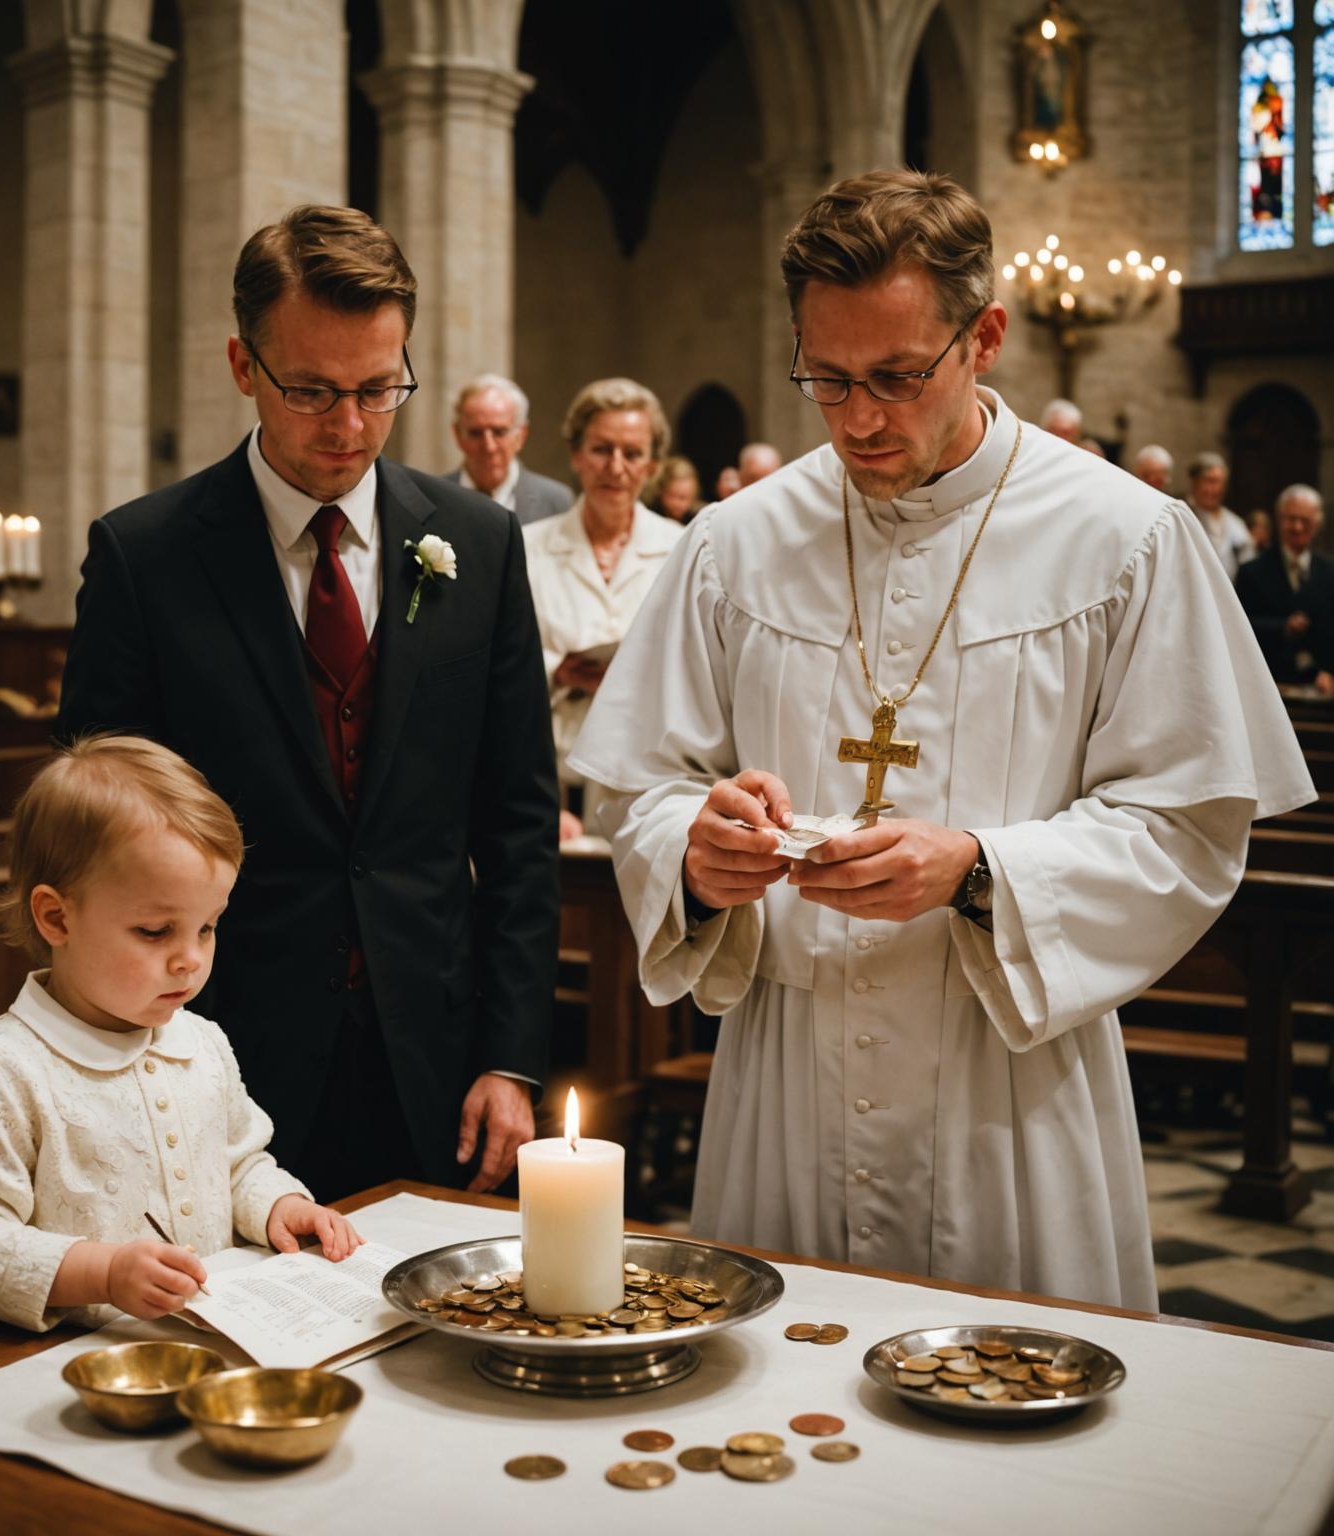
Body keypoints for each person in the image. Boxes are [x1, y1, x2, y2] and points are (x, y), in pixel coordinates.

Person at [569, 169, 1312, 1310]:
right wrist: (692, 852)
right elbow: (641, 784)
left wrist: (980, 870)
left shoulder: (1124, 539)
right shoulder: (736, 544)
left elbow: (1187, 825)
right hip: (787, 1076)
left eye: (898, 377)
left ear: (987, 338)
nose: (859, 418)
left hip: (1011, 1085)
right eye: (826, 377)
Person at [59, 205, 558, 1204]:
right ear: (244, 367)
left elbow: (517, 822)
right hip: (215, 1050)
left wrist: (512, 1057)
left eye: (380, 389)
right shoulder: (146, 557)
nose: (349, 428)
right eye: (312, 391)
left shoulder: (481, 543)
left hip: (438, 1054)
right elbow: (92, 829)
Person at [0, 737, 364, 1332]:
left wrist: (280, 1207)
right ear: (57, 917)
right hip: (55, 1373)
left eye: (207, 927)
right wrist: (98, 1273)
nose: (190, 959)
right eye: (156, 931)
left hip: (212, 1346)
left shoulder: (202, 1045)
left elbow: (236, 1165)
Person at [523, 379, 682, 843]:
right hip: (553, 784)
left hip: (647, 782)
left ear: (652, 465)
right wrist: (561, 671)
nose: (616, 467)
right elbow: (500, 665)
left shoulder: (680, 549)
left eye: (632, 454)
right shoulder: (530, 548)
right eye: (601, 449)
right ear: (576, 455)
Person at [1235, 484, 1334, 695]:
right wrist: (1283, 627)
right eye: (1291, 519)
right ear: (1279, 520)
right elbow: (1238, 627)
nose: (1297, 527)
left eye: (1305, 521)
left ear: (1317, 524)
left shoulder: (1330, 572)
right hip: (1269, 687)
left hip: (1324, 691)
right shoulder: (1251, 572)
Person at [442, 374, 572, 526]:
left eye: (499, 432)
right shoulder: (433, 497)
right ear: (457, 434)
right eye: (476, 433)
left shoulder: (556, 502)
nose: (489, 447)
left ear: (521, 435)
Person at [1186, 450, 1254, 580]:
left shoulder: (1236, 524)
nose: (1214, 489)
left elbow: (1247, 566)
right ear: (1194, 483)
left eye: (1218, 482)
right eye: (1208, 481)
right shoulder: (1183, 518)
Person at [646, 454, 703, 523]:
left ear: (693, 497)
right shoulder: (649, 514)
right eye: (672, 496)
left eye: (683, 498)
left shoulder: (700, 518)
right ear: (660, 491)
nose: (676, 504)